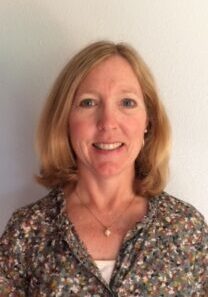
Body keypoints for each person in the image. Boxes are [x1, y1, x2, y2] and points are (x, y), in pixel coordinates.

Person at [0, 41, 207, 297]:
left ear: (148, 121)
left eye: (127, 103)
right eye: (88, 103)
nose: (108, 123)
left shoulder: (186, 228)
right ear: (65, 120)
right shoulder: (27, 232)